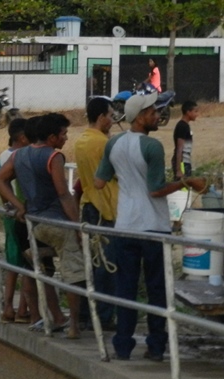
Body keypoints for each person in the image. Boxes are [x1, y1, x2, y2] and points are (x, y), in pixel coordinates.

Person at [95, 93, 206, 361]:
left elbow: (100, 182)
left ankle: (123, 346)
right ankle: (156, 347)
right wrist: (186, 183)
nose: (158, 116)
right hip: (154, 227)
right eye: (153, 112)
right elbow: (156, 190)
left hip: (125, 226)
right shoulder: (152, 146)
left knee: (126, 288)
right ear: (140, 116)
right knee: (157, 289)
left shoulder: (114, 144)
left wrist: (127, 182)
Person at [0, 112, 83, 339]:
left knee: (42, 271)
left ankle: (39, 255)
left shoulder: (19, 155)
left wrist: (18, 206)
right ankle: (74, 327)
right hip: (56, 222)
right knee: (74, 273)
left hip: (34, 223)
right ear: (52, 137)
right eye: (63, 134)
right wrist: (77, 226)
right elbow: (63, 194)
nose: (66, 138)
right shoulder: (54, 157)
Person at [75, 96, 119, 331]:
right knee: (107, 265)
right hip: (107, 209)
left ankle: (84, 312)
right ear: (101, 117)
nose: (112, 121)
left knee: (90, 264)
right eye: (111, 116)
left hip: (89, 206)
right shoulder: (104, 144)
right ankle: (103, 317)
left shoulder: (81, 141)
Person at [0, 118, 33, 323]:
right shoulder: (19, 156)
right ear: (23, 137)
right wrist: (18, 205)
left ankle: (8, 306)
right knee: (28, 263)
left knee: (13, 263)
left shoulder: (4, 155)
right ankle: (23, 310)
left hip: (9, 214)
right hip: (22, 215)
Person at [172, 100, 198, 180]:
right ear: (188, 112)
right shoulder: (182, 126)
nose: (197, 114)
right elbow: (180, 149)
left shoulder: (185, 126)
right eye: (195, 111)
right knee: (182, 190)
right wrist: (179, 169)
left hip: (186, 162)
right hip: (182, 163)